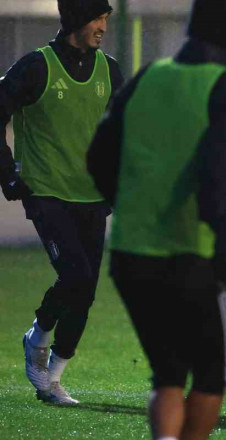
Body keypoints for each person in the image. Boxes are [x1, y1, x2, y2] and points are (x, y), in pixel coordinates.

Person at [86, 1, 226, 438]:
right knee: (212, 373)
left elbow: (98, 155)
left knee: (167, 374)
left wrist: (129, 207)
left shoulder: (147, 77)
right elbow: (215, 173)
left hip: (129, 252)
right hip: (190, 252)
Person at [0, 0, 123, 405]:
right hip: (45, 191)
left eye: (106, 17)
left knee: (85, 290)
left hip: (92, 195)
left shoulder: (111, 70)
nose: (103, 25)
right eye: (96, 17)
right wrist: (8, 172)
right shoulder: (36, 67)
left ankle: (52, 377)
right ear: (75, 19)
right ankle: (37, 339)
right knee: (74, 275)